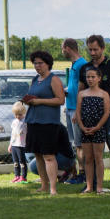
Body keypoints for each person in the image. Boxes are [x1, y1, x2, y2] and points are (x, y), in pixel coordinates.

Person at [78, 35, 110, 192]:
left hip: (109, 114)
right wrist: (78, 113)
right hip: (89, 116)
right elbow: (81, 89)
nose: (92, 53)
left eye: (95, 49)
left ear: (103, 48)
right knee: (89, 154)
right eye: (90, 50)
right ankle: (91, 183)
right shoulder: (85, 68)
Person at [25, 50, 67, 195]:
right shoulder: (35, 79)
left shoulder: (54, 79)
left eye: (40, 63)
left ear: (48, 64)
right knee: (38, 155)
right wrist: (28, 100)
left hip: (48, 122)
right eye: (35, 63)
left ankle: (53, 189)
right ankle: (43, 186)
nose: (37, 66)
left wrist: (40, 101)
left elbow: (60, 100)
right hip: (33, 120)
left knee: (49, 156)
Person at [75, 66, 110, 194]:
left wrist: (97, 127)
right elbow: (78, 112)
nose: (90, 79)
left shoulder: (104, 94)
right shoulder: (82, 94)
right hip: (85, 129)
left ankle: (99, 187)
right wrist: (82, 127)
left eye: (93, 77)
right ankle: (89, 186)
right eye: (88, 77)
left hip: (98, 129)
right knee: (88, 158)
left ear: (99, 78)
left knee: (98, 157)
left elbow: (106, 112)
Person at [61, 38, 87, 183]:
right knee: (75, 144)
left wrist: (78, 110)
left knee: (80, 144)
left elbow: (82, 89)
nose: (62, 52)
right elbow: (75, 86)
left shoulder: (82, 64)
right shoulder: (74, 64)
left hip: (77, 109)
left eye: (62, 49)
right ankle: (77, 173)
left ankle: (83, 174)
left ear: (68, 48)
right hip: (70, 107)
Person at [9, 101, 28, 183]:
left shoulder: (25, 122)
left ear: (24, 113)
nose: (17, 116)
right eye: (16, 114)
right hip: (14, 144)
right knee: (15, 161)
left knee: (22, 161)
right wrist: (10, 144)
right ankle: (17, 175)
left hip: (21, 145)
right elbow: (13, 134)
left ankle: (23, 176)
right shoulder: (14, 122)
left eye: (20, 114)